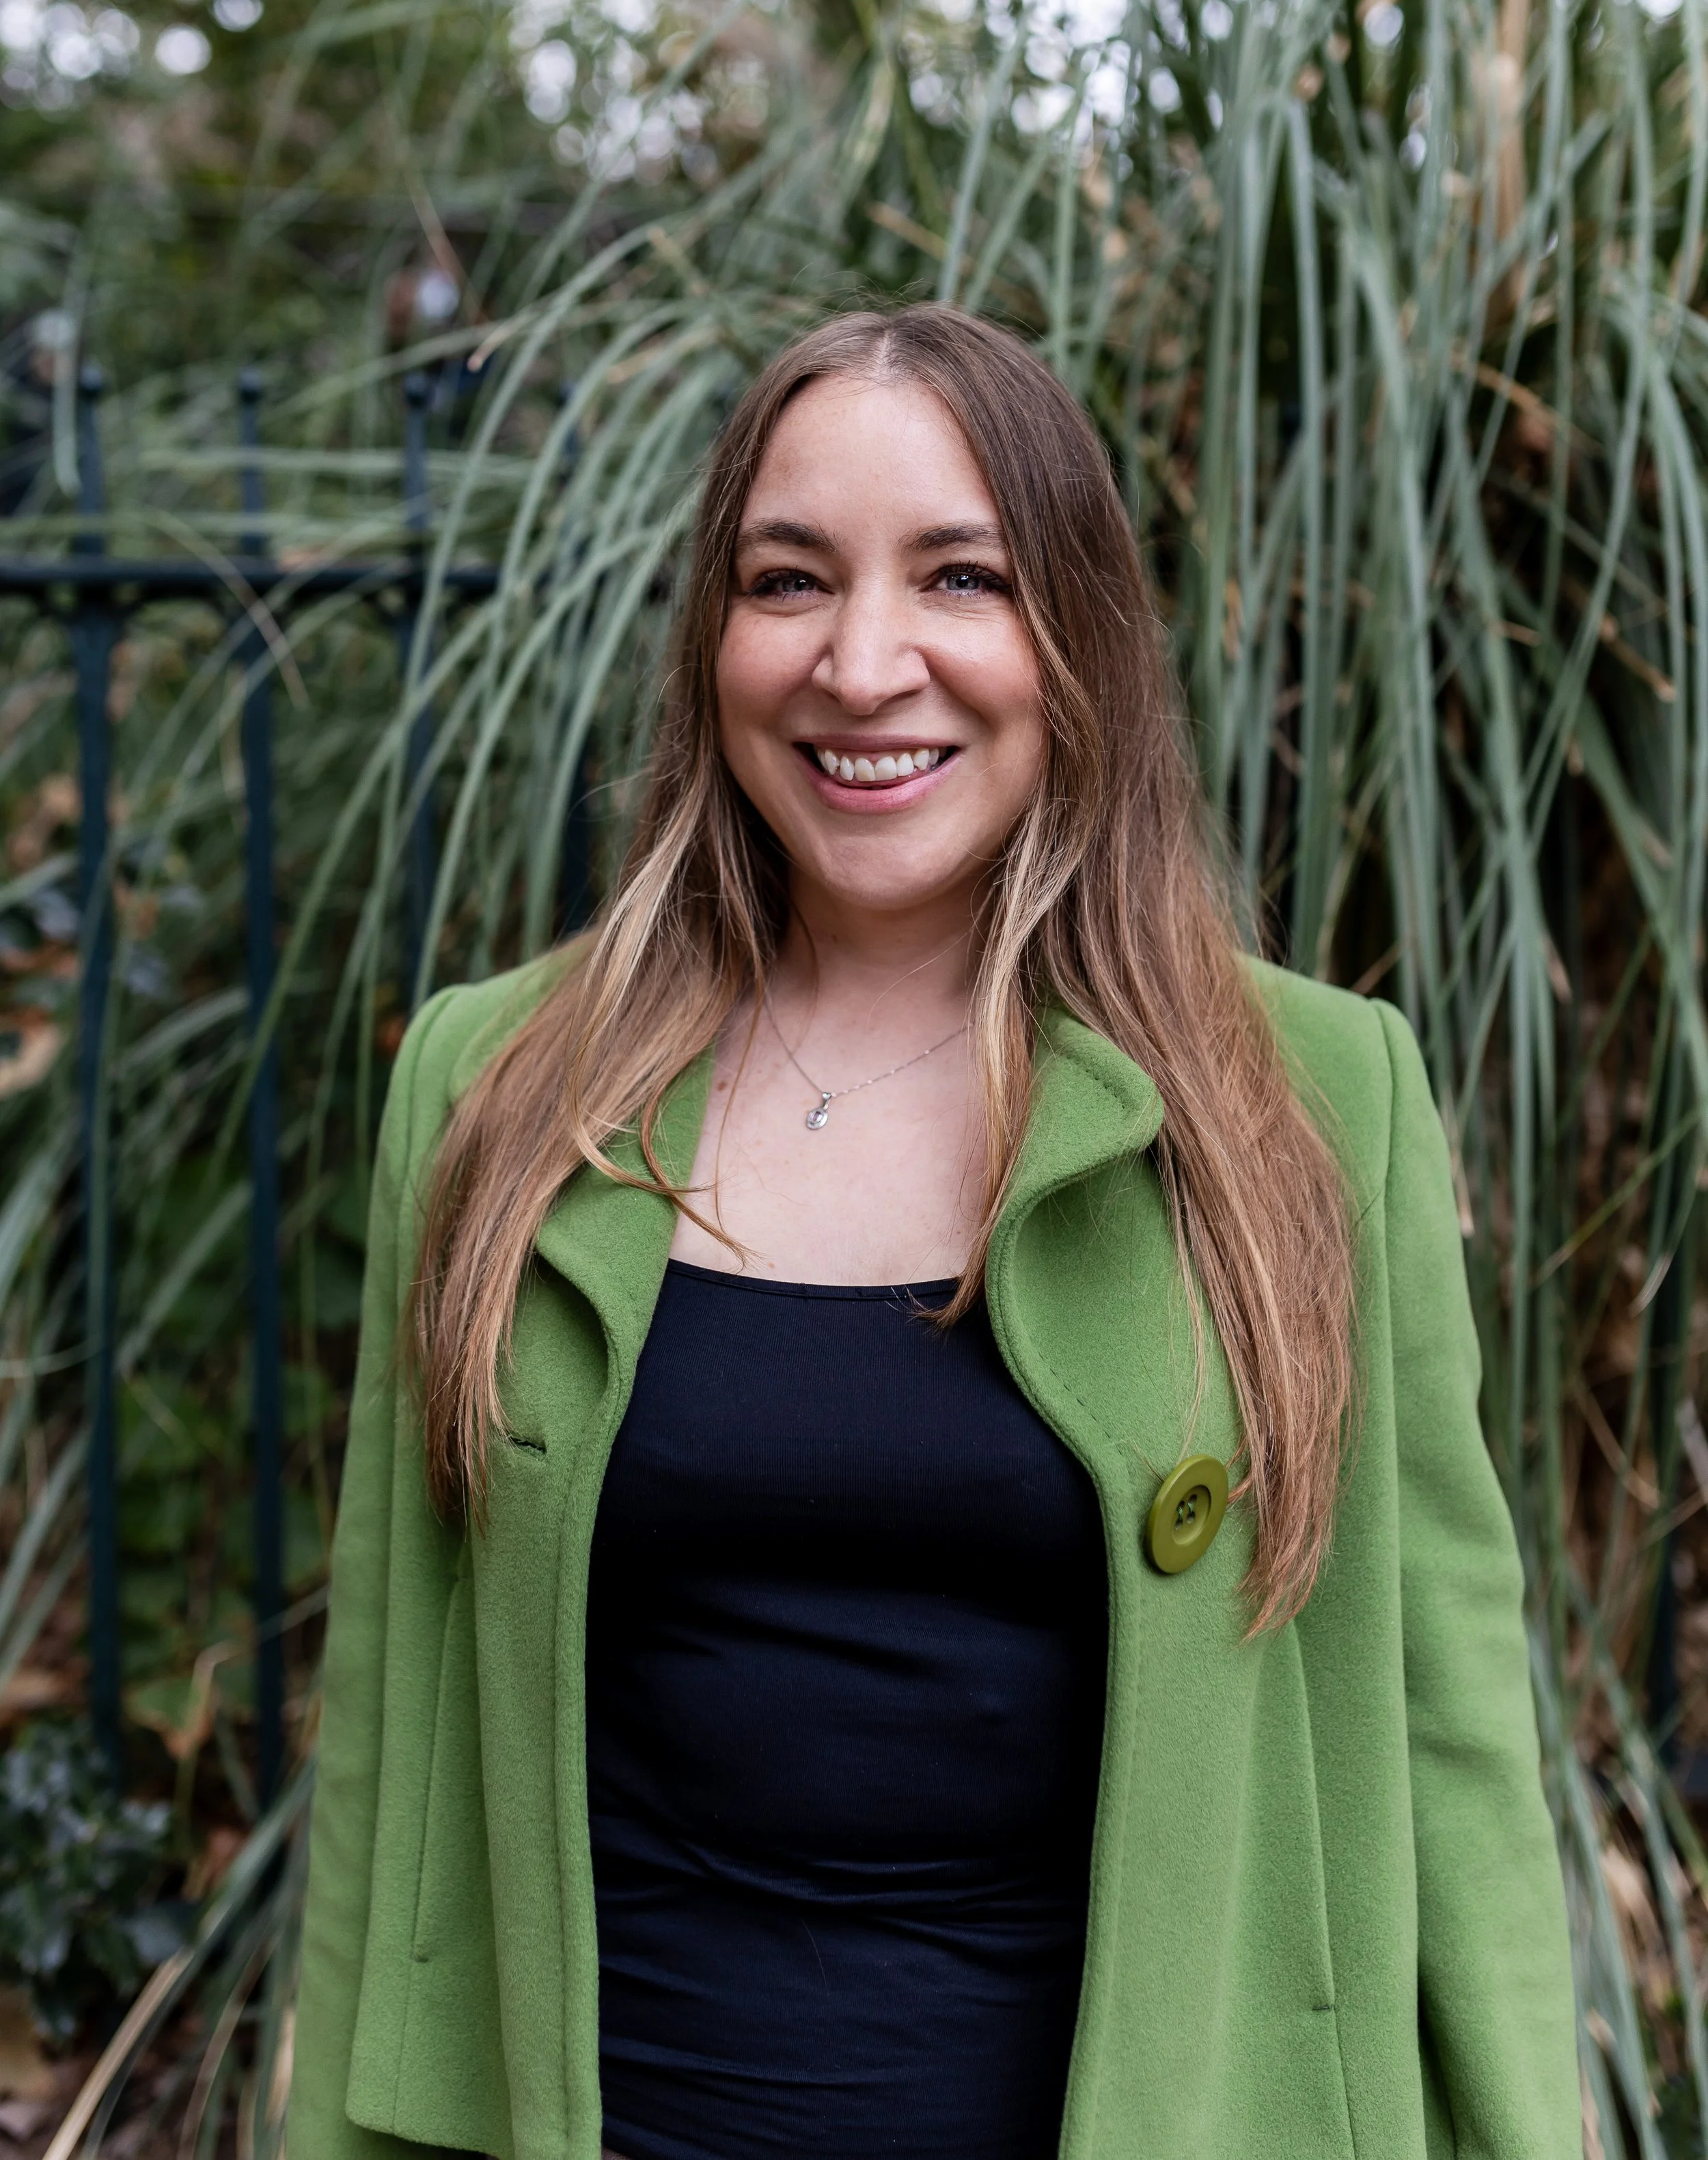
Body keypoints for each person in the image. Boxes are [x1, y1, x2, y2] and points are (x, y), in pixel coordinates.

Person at [288, 304, 1579, 2160]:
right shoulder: (503, 1084)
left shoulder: (1305, 1095)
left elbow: (1447, 1747)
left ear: (1074, 641)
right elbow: (392, 1755)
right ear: (713, 638)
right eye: (786, 578)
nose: (860, 660)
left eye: (956, 576)